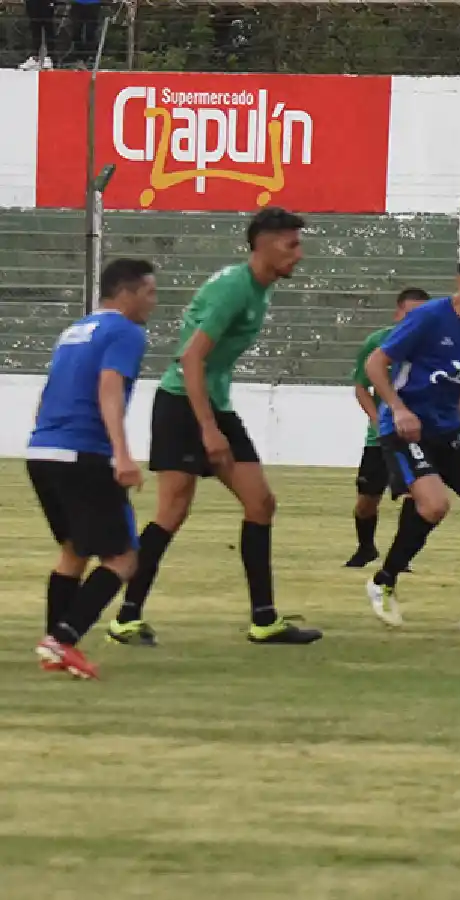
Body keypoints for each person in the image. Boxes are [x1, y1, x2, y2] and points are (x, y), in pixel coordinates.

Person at [107, 207, 322, 647]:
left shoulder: (258, 289)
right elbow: (191, 357)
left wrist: (215, 418)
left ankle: (264, 620)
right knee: (172, 511)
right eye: (291, 244)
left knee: (260, 503)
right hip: (183, 404)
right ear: (263, 242)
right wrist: (208, 428)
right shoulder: (233, 289)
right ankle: (124, 618)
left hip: (211, 404)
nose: (299, 254)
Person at [363, 250, 460, 633]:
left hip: (449, 432)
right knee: (434, 506)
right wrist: (398, 409)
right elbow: (374, 364)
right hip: (405, 431)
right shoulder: (428, 317)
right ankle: (383, 581)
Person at [27, 258, 157, 679]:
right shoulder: (126, 331)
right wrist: (121, 453)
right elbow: (109, 387)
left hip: (44, 450)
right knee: (123, 559)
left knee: (74, 550)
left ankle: (54, 648)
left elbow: (49, 392)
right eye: (149, 292)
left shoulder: (75, 331)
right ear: (127, 293)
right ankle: (62, 640)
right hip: (83, 452)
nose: (153, 302)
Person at [345, 287, 430, 568]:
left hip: (415, 435)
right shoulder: (378, 343)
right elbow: (361, 386)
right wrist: (375, 418)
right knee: (366, 501)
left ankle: (399, 557)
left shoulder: (434, 347)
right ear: (398, 314)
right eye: (410, 314)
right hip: (380, 436)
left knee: (414, 494)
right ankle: (366, 548)